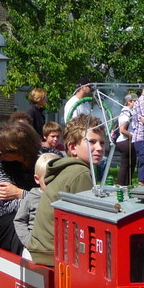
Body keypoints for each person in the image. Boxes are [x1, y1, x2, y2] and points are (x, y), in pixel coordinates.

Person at [28, 114, 105, 266]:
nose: (99, 148)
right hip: (53, 252)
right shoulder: (80, 173)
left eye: (102, 143)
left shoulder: (67, 169)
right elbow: (86, 222)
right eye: (92, 142)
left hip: (42, 248)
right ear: (72, 147)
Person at [0, 121, 40, 254]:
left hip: (39, 216)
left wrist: (21, 194)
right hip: (4, 214)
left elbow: (50, 200)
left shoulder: (45, 160)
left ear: (18, 150)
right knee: (19, 225)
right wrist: (34, 199)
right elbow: (8, 202)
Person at [13, 151, 58, 256]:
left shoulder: (61, 198)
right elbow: (19, 220)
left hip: (55, 251)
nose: (53, 183)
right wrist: (29, 242)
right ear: (37, 179)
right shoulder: (32, 197)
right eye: (48, 180)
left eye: (57, 179)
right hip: (33, 251)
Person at [114, 94, 136, 186]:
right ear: (129, 101)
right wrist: (134, 137)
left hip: (127, 141)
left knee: (130, 165)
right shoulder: (126, 112)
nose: (137, 103)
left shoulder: (130, 112)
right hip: (125, 141)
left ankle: (127, 185)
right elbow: (122, 130)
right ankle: (120, 184)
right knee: (125, 165)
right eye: (135, 101)